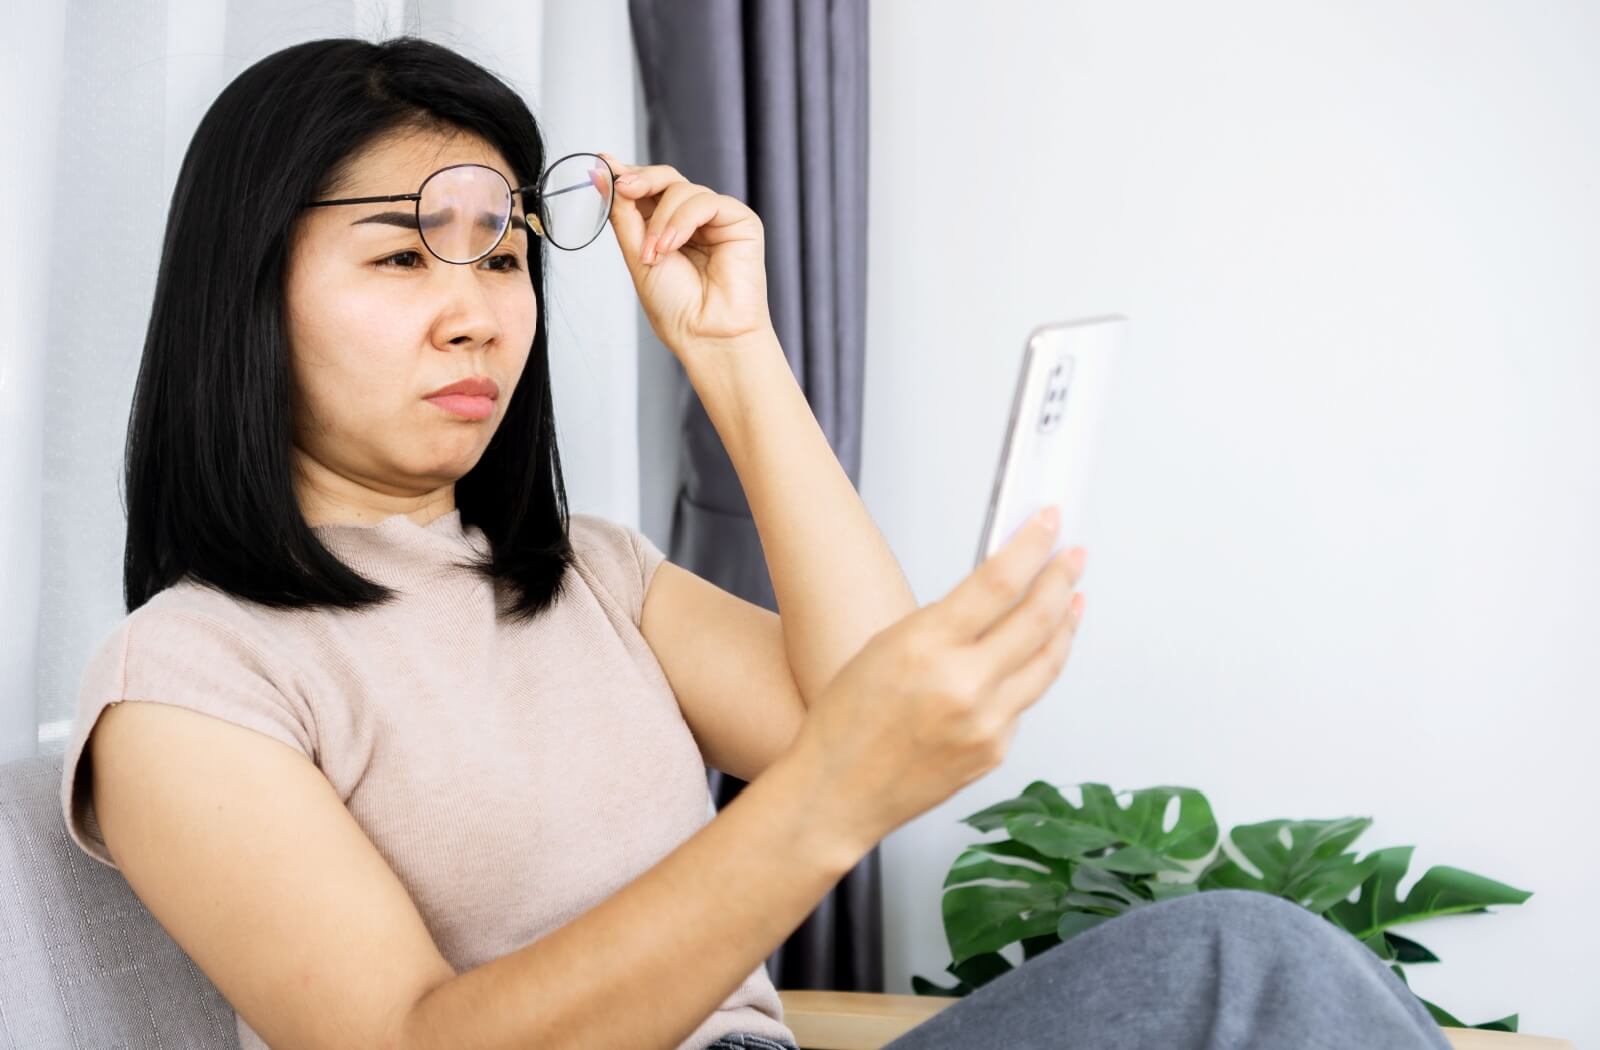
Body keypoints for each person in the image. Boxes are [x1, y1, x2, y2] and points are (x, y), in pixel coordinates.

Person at [57, 34, 1450, 1050]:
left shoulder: (590, 573)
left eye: (503, 252)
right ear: (250, 290)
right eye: (407, 254)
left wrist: (738, 357)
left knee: (1247, 966)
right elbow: (417, 1043)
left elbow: (851, 711)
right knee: (1249, 969)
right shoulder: (187, 678)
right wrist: (827, 793)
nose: (478, 308)